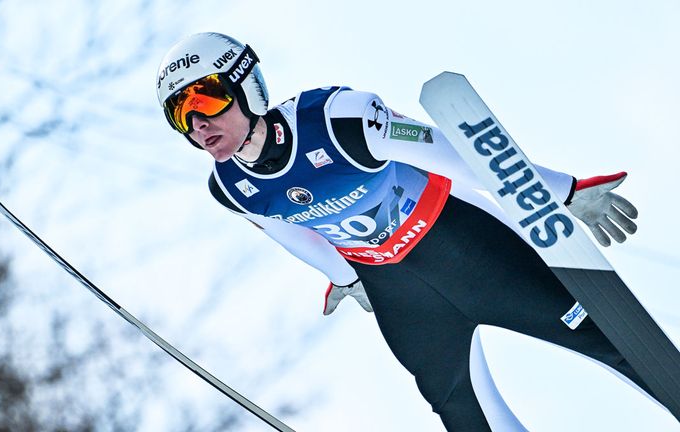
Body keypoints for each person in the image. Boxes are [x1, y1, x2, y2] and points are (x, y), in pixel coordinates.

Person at [155, 32, 652, 431]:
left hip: (466, 247)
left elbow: (456, 157)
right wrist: (344, 277)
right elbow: (285, 230)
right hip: (400, 296)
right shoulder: (230, 186)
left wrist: (557, 191)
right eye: (181, 113)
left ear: (248, 87)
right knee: (464, 413)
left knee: (611, 344)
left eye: (208, 98)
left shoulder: (339, 119)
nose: (198, 122)